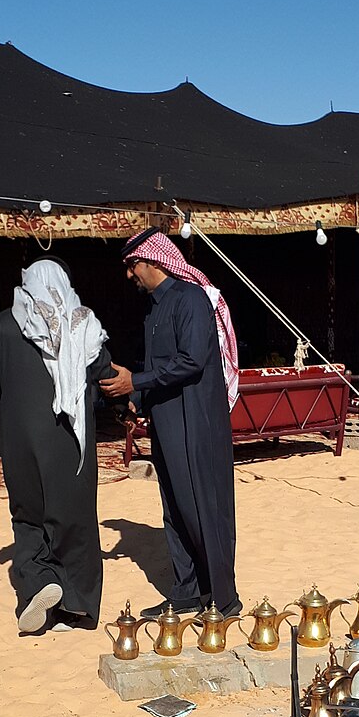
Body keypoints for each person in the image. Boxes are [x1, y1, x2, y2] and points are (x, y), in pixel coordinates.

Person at [102, 228, 240, 618]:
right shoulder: (154, 308)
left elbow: (192, 360)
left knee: (201, 507)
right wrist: (136, 397)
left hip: (195, 420)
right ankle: (186, 593)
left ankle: (223, 598)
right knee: (174, 508)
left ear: (152, 261)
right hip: (166, 421)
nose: (129, 275)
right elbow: (158, 366)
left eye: (132, 266)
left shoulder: (190, 299)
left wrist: (137, 381)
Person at [0, 257, 112, 633]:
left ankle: (38, 581)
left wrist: (8, 396)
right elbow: (106, 371)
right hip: (69, 437)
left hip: (18, 435)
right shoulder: (82, 323)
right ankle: (75, 605)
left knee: (27, 515)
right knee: (74, 518)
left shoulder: (4, 323)